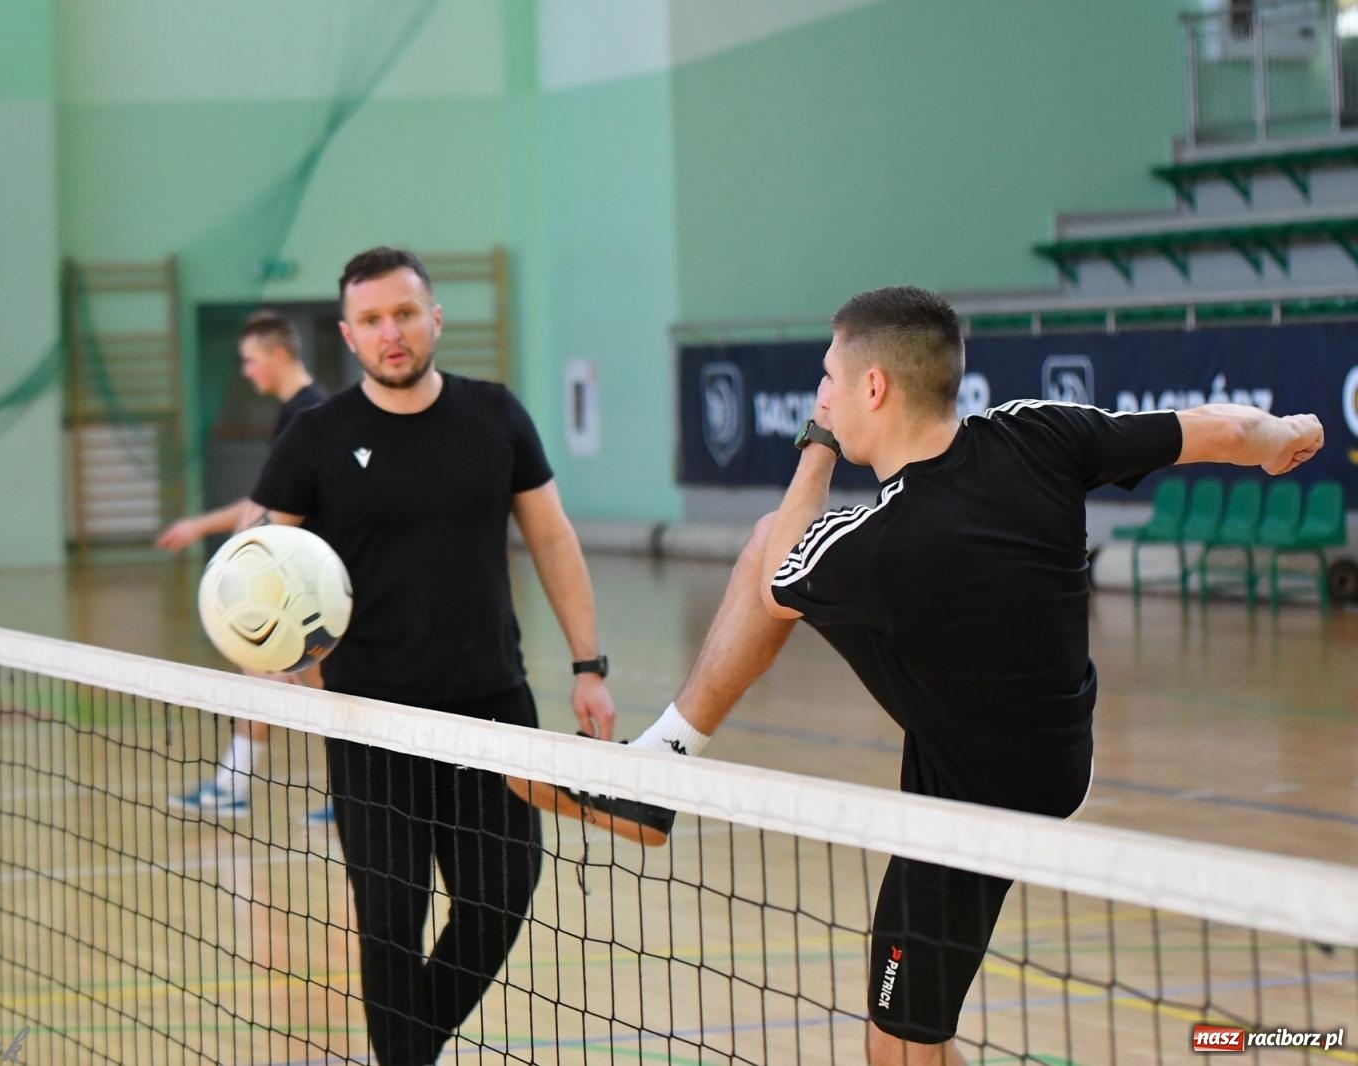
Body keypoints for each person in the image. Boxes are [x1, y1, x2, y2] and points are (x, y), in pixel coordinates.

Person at [563, 286, 1324, 1065]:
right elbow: (1221, 426)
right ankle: (658, 770)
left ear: (872, 387)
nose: (822, 390)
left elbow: (776, 580)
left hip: (968, 800)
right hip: (1056, 757)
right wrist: (1285, 434)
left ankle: (662, 763)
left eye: (830, 377)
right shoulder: (1038, 433)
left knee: (772, 547)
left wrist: (817, 441)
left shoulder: (878, 547)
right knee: (899, 1045)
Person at [249, 246, 616, 1064]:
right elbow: (273, 571)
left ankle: (405, 1053)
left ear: (436, 317)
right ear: (348, 335)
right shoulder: (316, 437)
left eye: (406, 313)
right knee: (390, 922)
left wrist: (589, 666)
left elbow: (552, 538)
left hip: (492, 708)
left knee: (501, 897)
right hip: (371, 717)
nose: (392, 332)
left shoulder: (495, 417)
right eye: (373, 319)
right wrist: (290, 668)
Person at [166, 310, 328, 818]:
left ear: (279, 356)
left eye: (251, 360)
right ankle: (233, 784)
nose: (246, 371)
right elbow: (264, 498)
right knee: (263, 669)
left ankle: (356, 795)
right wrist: (204, 528)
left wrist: (235, 550)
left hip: (310, 579)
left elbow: (270, 505)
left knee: (309, 685)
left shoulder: (309, 414)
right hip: (292, 574)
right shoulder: (292, 412)